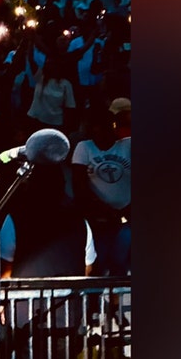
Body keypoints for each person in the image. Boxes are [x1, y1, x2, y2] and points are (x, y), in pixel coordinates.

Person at [72, 107, 131, 277]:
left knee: (120, 264)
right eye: (97, 128)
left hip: (126, 216)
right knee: (98, 263)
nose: (102, 133)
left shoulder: (127, 145)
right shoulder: (84, 148)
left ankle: (115, 303)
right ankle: (94, 303)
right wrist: (105, 210)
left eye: (106, 127)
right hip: (98, 218)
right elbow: (80, 187)